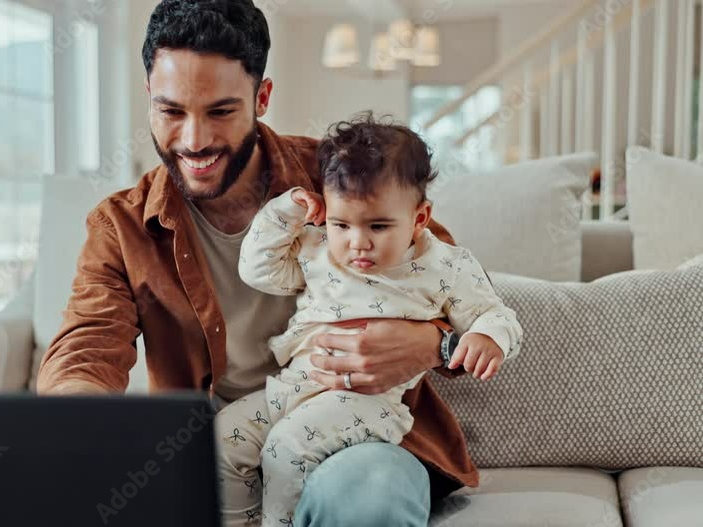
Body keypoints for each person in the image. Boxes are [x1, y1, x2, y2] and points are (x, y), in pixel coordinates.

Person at [36, 1, 482, 524]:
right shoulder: (121, 226)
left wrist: (432, 343)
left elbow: (456, 283)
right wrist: (77, 416)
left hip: (355, 441)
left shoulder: (344, 176)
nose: (194, 141)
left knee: (371, 494)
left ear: (262, 98)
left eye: (220, 112)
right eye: (171, 111)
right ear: (149, 97)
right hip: (218, 453)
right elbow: (87, 345)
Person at [216, 114, 523, 526]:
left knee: (285, 448)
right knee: (222, 439)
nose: (358, 242)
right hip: (292, 388)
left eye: (378, 226)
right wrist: (285, 212)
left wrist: (488, 336)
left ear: (419, 218)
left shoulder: (445, 266)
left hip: (365, 403)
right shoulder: (320, 248)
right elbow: (258, 271)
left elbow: (495, 314)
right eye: (342, 223)